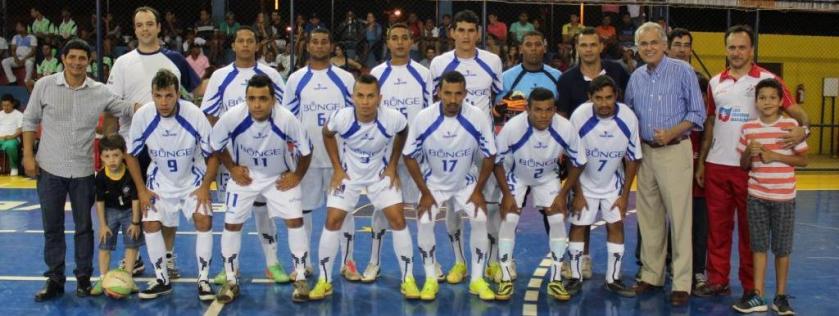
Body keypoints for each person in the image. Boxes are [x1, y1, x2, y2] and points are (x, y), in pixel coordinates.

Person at [696, 25, 809, 299]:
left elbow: (798, 113)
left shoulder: (769, 79)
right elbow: (711, 122)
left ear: (752, 50)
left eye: (742, 47)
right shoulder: (715, 83)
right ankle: (718, 279)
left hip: (752, 168)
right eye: (732, 47)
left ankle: (751, 286)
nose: (736, 52)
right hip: (717, 165)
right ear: (726, 50)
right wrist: (702, 161)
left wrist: (804, 130)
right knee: (718, 229)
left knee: (750, 233)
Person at [23, 39, 138, 301]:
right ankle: (55, 279)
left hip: (84, 172)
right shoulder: (44, 86)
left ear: (89, 61)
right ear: (63, 59)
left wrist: (154, 104)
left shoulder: (99, 91)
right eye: (72, 57)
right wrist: (28, 155)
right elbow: (29, 120)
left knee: (84, 228)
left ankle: (84, 279)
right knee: (52, 228)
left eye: (82, 58)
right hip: (49, 169)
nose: (76, 63)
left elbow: (124, 107)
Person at [108, 6, 200, 278]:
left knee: (167, 205)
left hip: (168, 146)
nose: (145, 29)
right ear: (134, 29)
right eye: (140, 25)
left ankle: (168, 258)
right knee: (134, 204)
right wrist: (129, 114)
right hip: (132, 144)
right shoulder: (122, 62)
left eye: (150, 23)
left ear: (159, 27)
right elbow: (111, 104)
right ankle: (133, 258)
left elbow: (197, 90)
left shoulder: (176, 60)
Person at [309, 74, 419, 299]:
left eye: (371, 96)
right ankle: (324, 280)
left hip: (380, 174)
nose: (366, 101)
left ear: (380, 98)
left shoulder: (393, 118)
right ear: (353, 97)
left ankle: (408, 279)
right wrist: (337, 168)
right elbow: (326, 134)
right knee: (332, 220)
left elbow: (403, 132)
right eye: (360, 95)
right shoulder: (342, 118)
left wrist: (393, 166)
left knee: (398, 219)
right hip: (349, 175)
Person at [199, 25, 291, 286]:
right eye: (241, 41)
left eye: (250, 41)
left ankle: (273, 264)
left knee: (263, 213)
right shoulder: (220, 76)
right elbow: (211, 116)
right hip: (232, 161)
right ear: (234, 45)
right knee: (232, 216)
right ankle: (231, 268)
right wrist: (222, 154)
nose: (246, 45)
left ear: (256, 45)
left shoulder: (271, 74)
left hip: (266, 159)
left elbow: (286, 115)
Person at [210, 74, 313, 303]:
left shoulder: (286, 119)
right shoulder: (233, 117)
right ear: (246, 99)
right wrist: (232, 168)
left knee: (295, 221)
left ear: (273, 99)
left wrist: (296, 176)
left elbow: (307, 151)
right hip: (245, 178)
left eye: (263, 99)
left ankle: (300, 276)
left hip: (278, 177)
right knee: (231, 223)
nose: (257, 104)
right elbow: (215, 143)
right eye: (252, 98)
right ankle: (230, 279)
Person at [624, 22, 705, 306]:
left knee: (680, 218)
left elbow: (698, 113)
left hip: (674, 150)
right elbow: (629, 116)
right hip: (645, 154)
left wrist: (672, 131)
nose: (648, 48)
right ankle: (651, 274)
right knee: (649, 217)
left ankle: (682, 282)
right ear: (637, 48)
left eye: (653, 43)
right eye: (643, 44)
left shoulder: (683, 71)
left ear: (664, 45)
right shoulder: (636, 78)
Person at [403, 71, 498, 301]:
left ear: (465, 94)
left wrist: (477, 192)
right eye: (447, 93)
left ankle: (477, 280)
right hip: (433, 183)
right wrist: (424, 193)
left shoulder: (477, 117)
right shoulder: (424, 118)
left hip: (465, 182)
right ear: (438, 93)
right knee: (424, 221)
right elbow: (409, 156)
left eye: (458, 94)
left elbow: (490, 155)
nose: (453, 99)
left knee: (480, 219)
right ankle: (430, 279)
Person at [125, 69, 218, 301]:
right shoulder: (143, 116)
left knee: (204, 220)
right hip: (160, 182)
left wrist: (206, 186)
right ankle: (161, 280)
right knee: (151, 224)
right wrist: (142, 191)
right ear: (152, 94)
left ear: (178, 94)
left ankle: (204, 280)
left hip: (192, 180)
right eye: (158, 96)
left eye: (169, 95)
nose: (163, 102)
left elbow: (213, 153)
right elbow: (131, 155)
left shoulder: (194, 114)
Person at [428, 9, 503, 285]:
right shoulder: (439, 64)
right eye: (461, 30)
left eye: (471, 30)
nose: (466, 36)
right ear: (452, 33)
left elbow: (498, 98)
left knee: (489, 205)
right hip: (450, 145)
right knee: (452, 204)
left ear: (479, 33)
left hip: (482, 146)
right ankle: (459, 262)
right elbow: (433, 103)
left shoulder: (493, 61)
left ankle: (493, 262)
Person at [493, 88, 583, 301]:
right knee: (509, 218)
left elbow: (578, 162)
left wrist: (563, 193)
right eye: (538, 110)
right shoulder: (513, 128)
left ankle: (555, 281)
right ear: (527, 110)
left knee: (558, 219)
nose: (543, 115)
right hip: (517, 175)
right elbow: (496, 162)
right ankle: (505, 278)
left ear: (555, 109)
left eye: (548, 110)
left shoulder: (565, 127)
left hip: (547, 177)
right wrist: (506, 194)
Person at [283, 28, 358, 281]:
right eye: (314, 42)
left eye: (324, 42)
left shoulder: (345, 79)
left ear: (331, 46)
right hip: (307, 161)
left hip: (340, 161)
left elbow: (356, 117)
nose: (319, 46)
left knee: (343, 212)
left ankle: (348, 263)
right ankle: (303, 264)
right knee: (303, 212)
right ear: (308, 46)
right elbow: (288, 121)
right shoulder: (295, 80)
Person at [556, 27, 629, 280]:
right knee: (580, 213)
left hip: (610, 156)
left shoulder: (618, 72)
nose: (588, 49)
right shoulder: (566, 79)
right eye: (583, 45)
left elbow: (624, 111)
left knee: (613, 220)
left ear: (601, 46)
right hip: (580, 158)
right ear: (577, 48)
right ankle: (582, 261)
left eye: (592, 44)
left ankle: (613, 275)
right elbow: (563, 120)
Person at [732, 78, 807, 315]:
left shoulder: (791, 126)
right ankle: (757, 295)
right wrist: (748, 152)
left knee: (782, 249)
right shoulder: (748, 129)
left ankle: (781, 296)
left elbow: (803, 160)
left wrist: (775, 156)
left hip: (784, 197)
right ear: (756, 102)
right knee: (759, 247)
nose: (767, 102)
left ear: (780, 101)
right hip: (757, 197)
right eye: (762, 98)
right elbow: (743, 165)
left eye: (772, 98)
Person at [364, 23, 433, 283]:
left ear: (412, 41)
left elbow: (428, 113)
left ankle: (430, 263)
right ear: (388, 42)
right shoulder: (377, 73)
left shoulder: (424, 74)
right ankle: (374, 262)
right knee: (382, 209)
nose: (401, 42)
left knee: (423, 209)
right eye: (395, 38)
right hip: (384, 156)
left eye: (405, 37)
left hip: (417, 154)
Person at [566, 76, 639, 298]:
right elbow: (571, 158)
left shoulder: (628, 117)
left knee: (615, 226)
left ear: (616, 96)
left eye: (609, 97)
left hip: (613, 185)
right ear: (590, 98)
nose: (604, 103)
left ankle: (613, 279)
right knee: (578, 226)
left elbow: (633, 159)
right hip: (585, 185)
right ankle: (575, 276)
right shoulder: (579, 116)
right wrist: (577, 193)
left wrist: (625, 196)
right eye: (598, 98)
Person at [90, 134, 143, 296]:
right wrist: (103, 225)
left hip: (129, 212)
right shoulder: (100, 177)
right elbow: (99, 202)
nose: (111, 160)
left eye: (116, 155)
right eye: (107, 156)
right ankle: (102, 277)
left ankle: (128, 278)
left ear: (123, 155)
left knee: (132, 243)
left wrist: (135, 222)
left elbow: (135, 199)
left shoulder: (130, 173)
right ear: (101, 158)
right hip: (110, 211)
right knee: (105, 244)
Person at [2, 22, 37, 86]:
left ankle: (27, 81)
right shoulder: (15, 37)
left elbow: (33, 51)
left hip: (28, 58)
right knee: (5, 61)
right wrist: (16, 58)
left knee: (29, 63)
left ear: (24, 28)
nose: (16, 28)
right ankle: (12, 81)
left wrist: (23, 59)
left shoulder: (32, 37)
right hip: (18, 58)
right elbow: (13, 50)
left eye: (18, 27)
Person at [0, 94, 22, 175]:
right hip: (0, 138)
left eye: (7, 105)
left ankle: (14, 167)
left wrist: (12, 136)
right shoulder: (0, 114)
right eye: (3, 105)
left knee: (10, 146)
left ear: (12, 104)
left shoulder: (19, 115)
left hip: (12, 139)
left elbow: (20, 129)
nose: (5, 107)